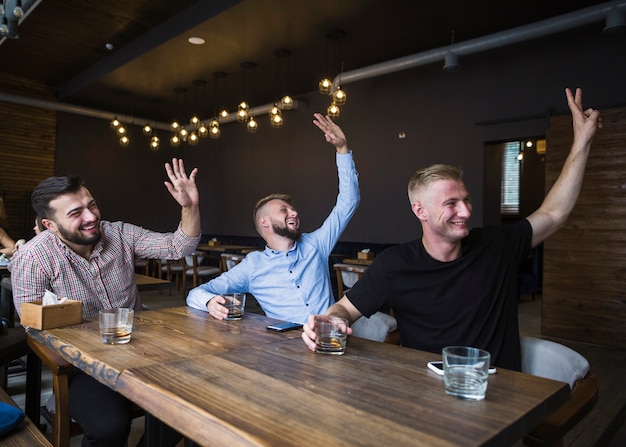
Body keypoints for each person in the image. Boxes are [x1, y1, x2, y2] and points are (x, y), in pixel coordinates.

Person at [302, 88, 602, 371]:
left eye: (466, 200)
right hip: (427, 395)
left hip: (497, 392)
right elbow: (342, 310)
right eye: (451, 203)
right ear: (420, 211)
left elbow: (555, 212)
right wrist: (328, 323)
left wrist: (582, 141)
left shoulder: (497, 244)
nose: (466, 211)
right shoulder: (395, 264)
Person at [9, 158, 201, 447]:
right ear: (50, 224)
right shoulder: (34, 256)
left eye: (92, 205)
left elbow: (179, 246)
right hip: (82, 366)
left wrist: (190, 206)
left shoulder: (119, 233)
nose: (91, 216)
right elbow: (32, 326)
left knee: (194, 407)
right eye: (76, 212)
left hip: (141, 350)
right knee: (110, 428)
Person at [186, 113, 359, 324]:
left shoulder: (316, 245)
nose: (294, 213)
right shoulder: (253, 266)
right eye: (284, 210)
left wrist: (342, 149)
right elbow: (195, 294)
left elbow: (348, 203)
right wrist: (209, 302)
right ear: (264, 222)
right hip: (285, 348)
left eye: (293, 209)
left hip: (329, 339)